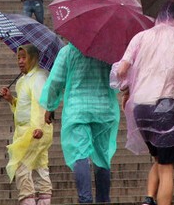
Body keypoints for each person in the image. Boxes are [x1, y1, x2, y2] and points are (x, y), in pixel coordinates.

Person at [114, 0, 174, 205]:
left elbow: (121, 70)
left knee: (158, 158)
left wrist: (128, 86)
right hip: (165, 107)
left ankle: (149, 199)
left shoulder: (140, 36)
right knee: (167, 167)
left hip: (140, 108)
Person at [41, 41, 121, 204]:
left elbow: (55, 82)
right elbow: (118, 78)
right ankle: (104, 199)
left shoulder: (68, 52)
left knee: (80, 154)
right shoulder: (108, 51)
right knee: (102, 156)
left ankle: (85, 200)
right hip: (104, 108)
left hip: (77, 110)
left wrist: (50, 106)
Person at [0, 45, 53, 205]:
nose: (21, 62)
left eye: (24, 57)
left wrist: (38, 127)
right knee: (40, 168)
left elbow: (40, 105)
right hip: (26, 131)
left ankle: (28, 200)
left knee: (22, 168)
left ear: (34, 58)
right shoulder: (23, 80)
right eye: (18, 58)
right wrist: (11, 100)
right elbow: (24, 106)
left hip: (35, 131)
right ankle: (43, 199)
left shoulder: (39, 78)